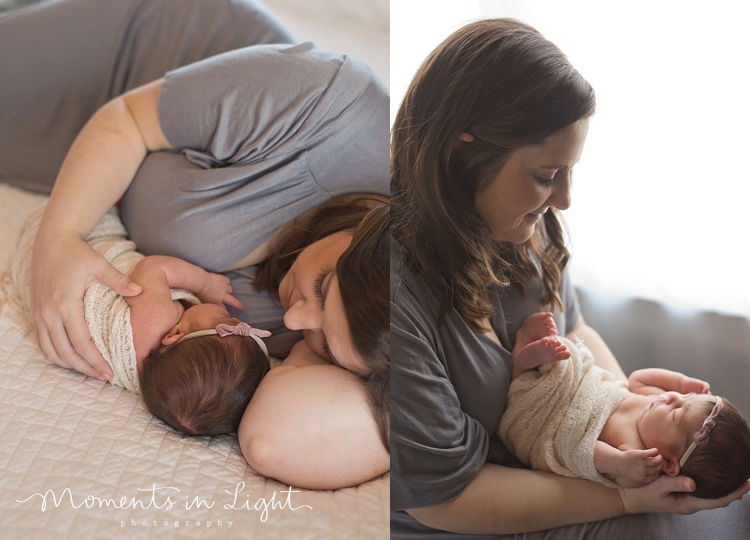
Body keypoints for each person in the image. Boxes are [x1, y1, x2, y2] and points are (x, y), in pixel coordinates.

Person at [1, 0, 389, 489]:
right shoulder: (331, 103)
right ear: (373, 230)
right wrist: (58, 240)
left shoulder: (366, 344)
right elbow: (127, 119)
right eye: (321, 285)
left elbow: (272, 440)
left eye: (326, 343)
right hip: (136, 76)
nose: (294, 321)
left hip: (84, 179)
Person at [390, 18, 750, 539]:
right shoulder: (400, 296)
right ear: (462, 150)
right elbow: (445, 499)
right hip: (473, 510)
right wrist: (625, 495)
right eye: (545, 176)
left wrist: (625, 414)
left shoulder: (525, 230)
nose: (564, 199)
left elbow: (576, 331)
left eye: (569, 170)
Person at [7, 203, 271, 436]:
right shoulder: (155, 382)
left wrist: (204, 281)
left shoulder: (157, 322)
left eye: (225, 318)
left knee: (103, 208)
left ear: (175, 335)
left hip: (59, 253)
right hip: (32, 285)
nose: (234, 316)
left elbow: (152, 268)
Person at [500, 312, 750, 499]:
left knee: (534, 383)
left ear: (669, 463)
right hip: (576, 387)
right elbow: (637, 379)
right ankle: (534, 350)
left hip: (546, 422)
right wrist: (680, 381)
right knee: (568, 361)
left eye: (676, 413)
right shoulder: (653, 403)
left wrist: (620, 463)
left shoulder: (636, 459)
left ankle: (523, 357)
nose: (672, 397)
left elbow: (584, 451)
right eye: (683, 398)